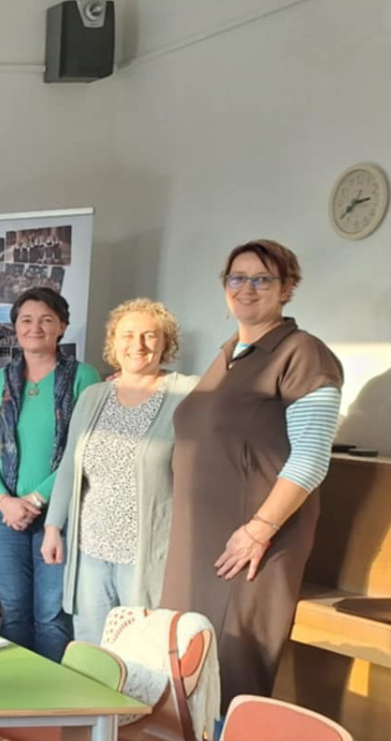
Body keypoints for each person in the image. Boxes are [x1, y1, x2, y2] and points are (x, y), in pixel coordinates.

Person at [162, 240, 343, 702]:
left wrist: (258, 531)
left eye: (262, 279)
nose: (247, 288)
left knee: (231, 670)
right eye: (237, 278)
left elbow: (311, 457)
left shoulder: (302, 353)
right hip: (198, 540)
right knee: (184, 668)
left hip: (250, 544)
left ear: (287, 288)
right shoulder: (230, 353)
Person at [41, 300, 196, 644]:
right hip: (90, 549)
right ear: (113, 342)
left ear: (166, 343)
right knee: (91, 649)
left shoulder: (186, 393)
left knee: (143, 649)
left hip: (146, 553)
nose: (137, 344)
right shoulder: (94, 396)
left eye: (149, 335)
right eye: (127, 335)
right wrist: (53, 527)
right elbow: (71, 465)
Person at [0, 288, 101, 661]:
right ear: (15, 328)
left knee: (52, 616)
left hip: (59, 512)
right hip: (0, 512)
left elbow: (83, 448)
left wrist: (37, 498)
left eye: (46, 319)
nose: (35, 327)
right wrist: (5, 500)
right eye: (26, 320)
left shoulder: (84, 377)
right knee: (13, 612)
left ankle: (52, 694)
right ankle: (17, 692)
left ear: (63, 326)